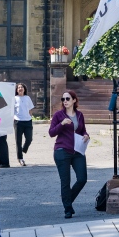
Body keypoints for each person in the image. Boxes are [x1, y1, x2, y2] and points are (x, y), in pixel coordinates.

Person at [49, 90, 89, 219]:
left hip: (77, 151)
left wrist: (86, 136)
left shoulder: (79, 115)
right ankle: (68, 209)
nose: (65, 101)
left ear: (74, 100)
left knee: (82, 179)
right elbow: (51, 133)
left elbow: (83, 130)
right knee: (65, 181)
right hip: (62, 151)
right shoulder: (58, 115)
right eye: (63, 99)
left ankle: (67, 200)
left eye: (67, 99)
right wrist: (61, 124)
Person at [13, 83, 35, 166]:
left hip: (28, 121)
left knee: (29, 139)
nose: (20, 89)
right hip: (18, 121)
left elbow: (30, 108)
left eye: (21, 87)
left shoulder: (27, 98)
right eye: (18, 87)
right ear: (16, 90)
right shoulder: (14, 98)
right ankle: (20, 158)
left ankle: (24, 149)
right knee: (18, 141)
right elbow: (12, 110)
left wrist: (30, 115)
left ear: (24, 89)